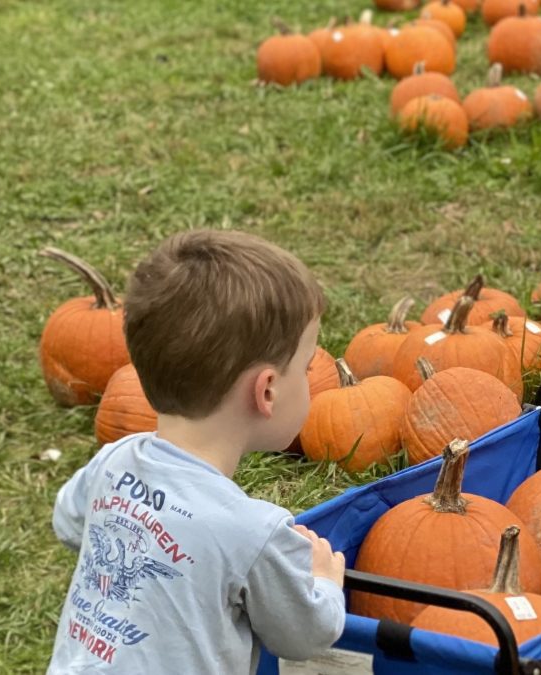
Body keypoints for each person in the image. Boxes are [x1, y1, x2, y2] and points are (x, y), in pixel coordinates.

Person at [48, 230, 346, 673]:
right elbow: (306, 634)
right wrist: (324, 582)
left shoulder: (115, 460)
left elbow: (67, 520)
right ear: (266, 391)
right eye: (304, 369)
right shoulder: (254, 531)